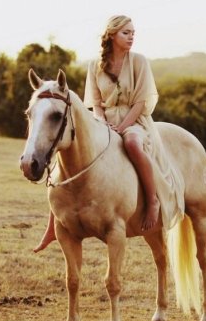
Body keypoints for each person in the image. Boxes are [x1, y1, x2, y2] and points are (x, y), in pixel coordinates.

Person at [33, 15, 184, 253]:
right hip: (103, 121)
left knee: (132, 143)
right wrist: (102, 124)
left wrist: (121, 128)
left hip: (134, 121)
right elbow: (95, 103)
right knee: (68, 149)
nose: (131, 37)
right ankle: (54, 222)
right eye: (126, 32)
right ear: (112, 35)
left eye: (133, 33)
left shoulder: (139, 62)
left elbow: (140, 102)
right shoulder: (95, 65)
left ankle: (153, 200)